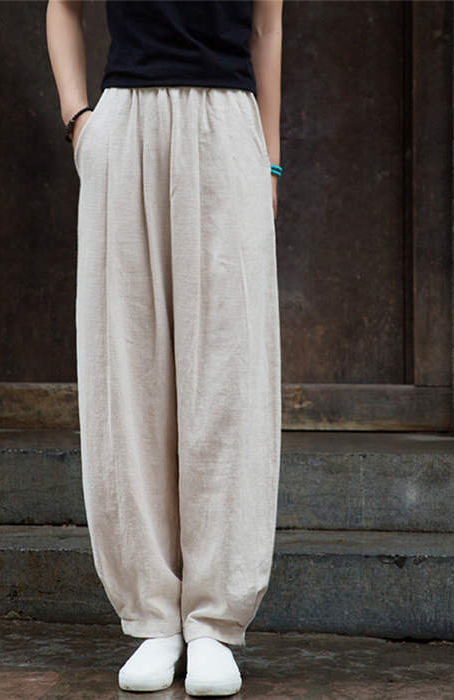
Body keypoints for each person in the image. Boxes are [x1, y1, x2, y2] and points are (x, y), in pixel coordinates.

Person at [46, 1, 283, 695]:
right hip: (126, 126)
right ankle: (152, 615)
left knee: (228, 375)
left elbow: (267, 29)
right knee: (129, 371)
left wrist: (271, 162)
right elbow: (62, 6)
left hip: (228, 124)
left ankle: (214, 621)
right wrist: (79, 122)